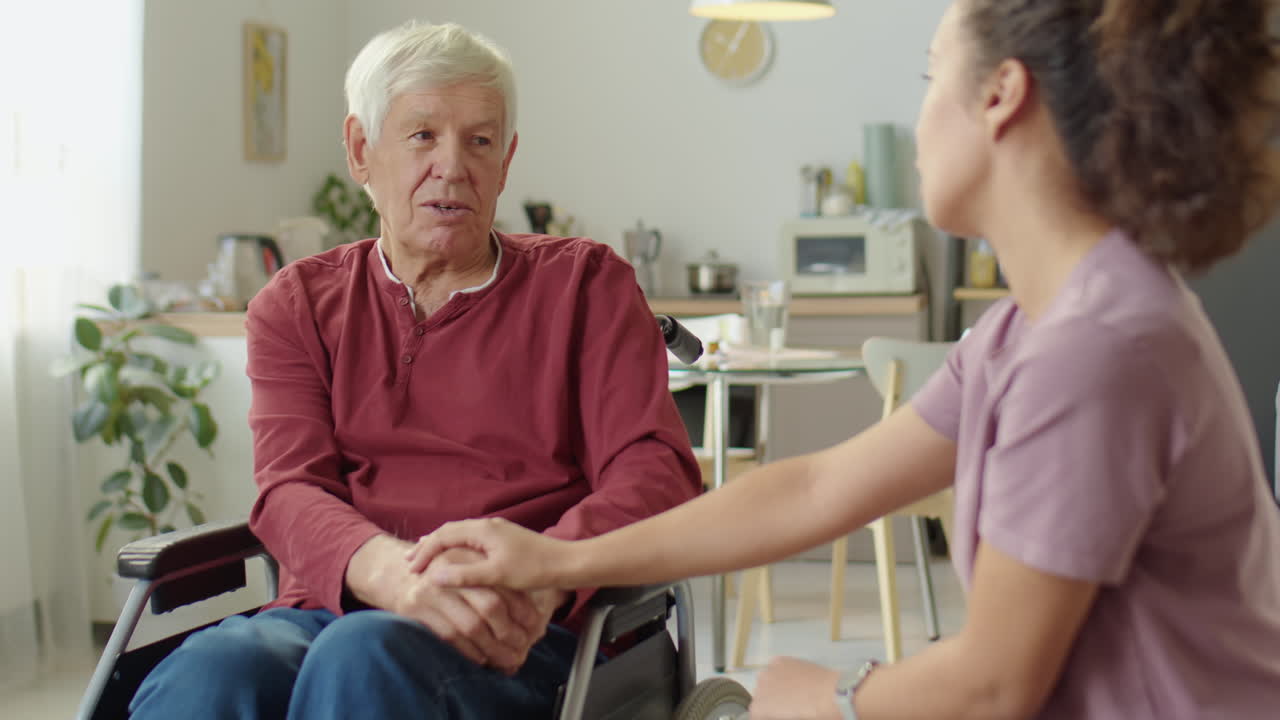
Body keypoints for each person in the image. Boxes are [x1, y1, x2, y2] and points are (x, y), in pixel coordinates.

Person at [411, 1, 1280, 718]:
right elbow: (818, 487)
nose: (916, 121)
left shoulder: (1093, 348)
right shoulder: (1032, 330)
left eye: (930, 77)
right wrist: (558, 559)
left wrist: (834, 695)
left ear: (1000, 98)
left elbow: (993, 687)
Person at [129, 20, 700, 720]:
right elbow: (290, 490)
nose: (452, 166)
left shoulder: (584, 285)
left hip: (529, 628)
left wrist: (542, 574)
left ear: (506, 160)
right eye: (423, 135)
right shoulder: (298, 304)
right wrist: (393, 576)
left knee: (363, 658)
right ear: (362, 150)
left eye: (479, 141)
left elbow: (655, 470)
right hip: (339, 604)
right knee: (214, 671)